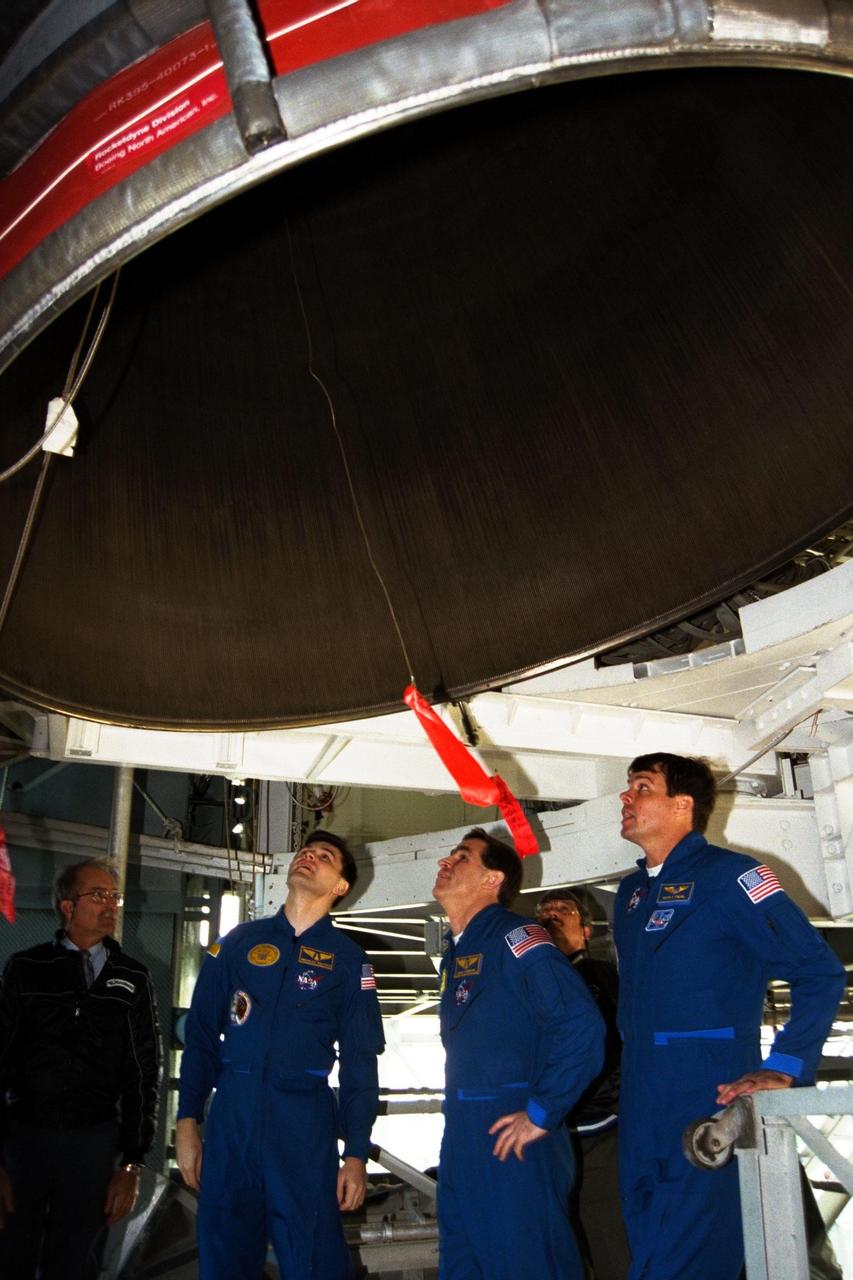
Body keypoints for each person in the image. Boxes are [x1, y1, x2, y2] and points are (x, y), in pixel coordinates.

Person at [614, 752, 846, 1280]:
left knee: (691, 1256)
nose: (626, 799)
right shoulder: (630, 894)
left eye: (642, 788)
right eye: (628, 788)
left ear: (684, 805)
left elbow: (819, 972)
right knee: (646, 1240)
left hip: (705, 1088)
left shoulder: (733, 877)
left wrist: (786, 1065)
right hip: (641, 1093)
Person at [176, 829, 384, 1280]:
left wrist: (356, 1153)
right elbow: (200, 1036)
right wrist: (187, 1120)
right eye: (306, 850)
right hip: (233, 1113)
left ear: (340, 886)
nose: (308, 855)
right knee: (223, 1255)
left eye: (324, 856)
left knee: (312, 1258)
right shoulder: (236, 943)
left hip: (303, 1122)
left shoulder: (350, 961)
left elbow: (360, 1062)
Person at [434, 827, 605, 1280]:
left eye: (461, 857)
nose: (444, 863)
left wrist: (542, 1111)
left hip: (512, 1132)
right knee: (462, 1265)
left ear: (493, 879)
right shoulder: (457, 952)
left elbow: (581, 1025)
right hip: (463, 1134)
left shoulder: (518, 935)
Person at [0, 858, 162, 1280]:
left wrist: (131, 1162)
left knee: (75, 1260)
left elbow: (143, 1071)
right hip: (23, 1140)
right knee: (11, 1253)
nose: (111, 905)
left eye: (115, 896)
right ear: (68, 907)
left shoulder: (133, 977)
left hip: (92, 1143)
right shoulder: (26, 968)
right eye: (99, 895)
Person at [537, 888, 628, 1280]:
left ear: (587, 931)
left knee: (609, 1243)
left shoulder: (606, 979)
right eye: (545, 910)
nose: (552, 914)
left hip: (597, 1134)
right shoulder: (529, 981)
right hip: (542, 1135)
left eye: (564, 910)